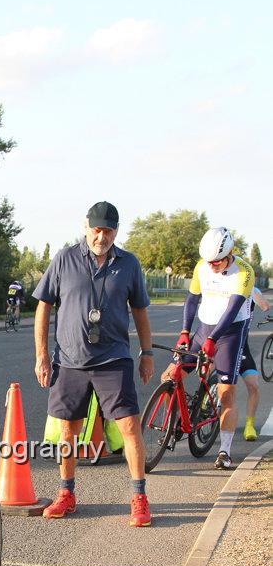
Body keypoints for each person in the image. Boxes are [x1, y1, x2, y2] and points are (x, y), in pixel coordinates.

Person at [33, 201, 154, 526]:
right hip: (70, 362)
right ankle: (66, 493)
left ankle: (139, 497)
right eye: (96, 229)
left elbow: (140, 311)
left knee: (129, 427)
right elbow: (43, 306)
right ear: (86, 227)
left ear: (116, 231)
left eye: (108, 231)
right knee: (68, 430)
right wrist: (42, 355)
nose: (101, 236)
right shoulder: (64, 259)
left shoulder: (128, 264)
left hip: (114, 360)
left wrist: (147, 353)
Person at [173, 227, 254, 469]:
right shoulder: (201, 266)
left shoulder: (244, 272)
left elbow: (231, 312)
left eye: (217, 261)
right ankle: (176, 422)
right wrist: (185, 332)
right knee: (171, 374)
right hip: (204, 328)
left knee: (226, 394)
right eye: (209, 261)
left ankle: (224, 452)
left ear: (229, 253)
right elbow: (191, 299)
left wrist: (213, 339)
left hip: (230, 332)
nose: (212, 266)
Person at [240, 287, 270, 440]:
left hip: (240, 345)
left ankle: (249, 425)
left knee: (253, 385)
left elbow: (264, 306)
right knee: (206, 374)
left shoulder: (251, 288)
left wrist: (250, 290)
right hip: (218, 341)